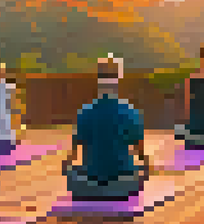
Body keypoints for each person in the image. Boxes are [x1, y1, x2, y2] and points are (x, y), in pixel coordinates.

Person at [64, 55, 151, 201]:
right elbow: (140, 154)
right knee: (140, 172)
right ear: (119, 79)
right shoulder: (130, 111)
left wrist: (66, 168)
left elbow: (73, 154)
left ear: (98, 80)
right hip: (123, 181)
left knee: (74, 172)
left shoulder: (85, 111)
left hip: (91, 179)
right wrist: (146, 167)